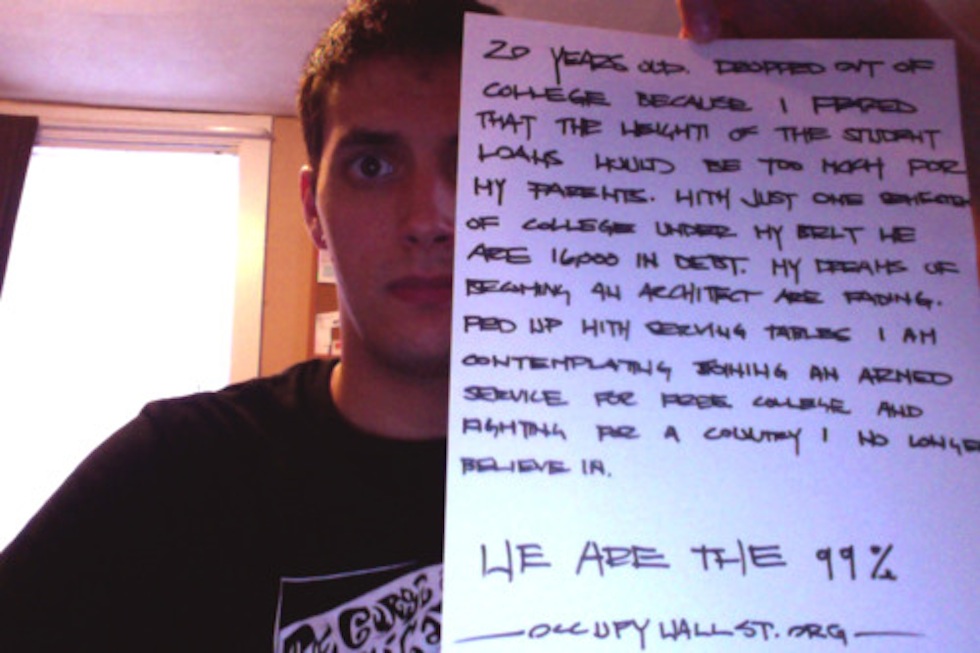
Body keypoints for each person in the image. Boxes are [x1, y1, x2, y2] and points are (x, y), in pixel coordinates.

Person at [0, 0, 976, 651]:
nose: (433, 215)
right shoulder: (183, 474)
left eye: (479, 162)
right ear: (311, 209)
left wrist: (934, 83)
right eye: (373, 165)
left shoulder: (690, 466)